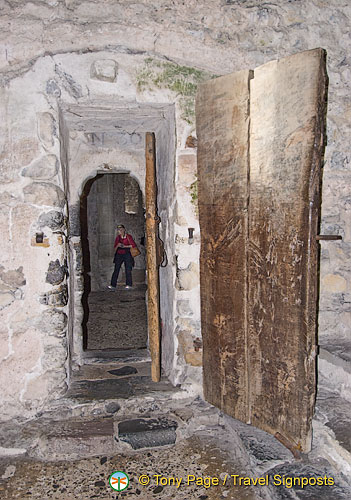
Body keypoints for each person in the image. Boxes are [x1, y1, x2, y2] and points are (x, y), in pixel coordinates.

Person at [108, 224, 137, 290]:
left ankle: (129, 284)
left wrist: (125, 246)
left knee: (128, 269)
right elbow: (114, 249)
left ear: (124, 230)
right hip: (119, 254)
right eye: (119, 230)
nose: (120, 231)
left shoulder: (128, 237)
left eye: (121, 230)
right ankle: (113, 285)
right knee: (116, 269)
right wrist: (118, 245)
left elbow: (133, 245)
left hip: (127, 254)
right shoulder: (118, 238)